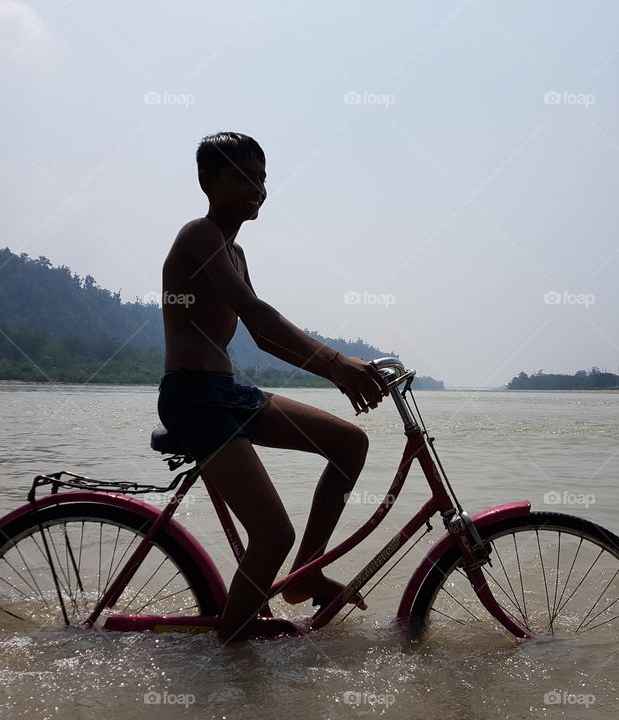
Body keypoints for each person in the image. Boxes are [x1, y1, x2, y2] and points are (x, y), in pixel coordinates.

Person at [157, 131, 389, 642]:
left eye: (261, 178)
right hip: (194, 400)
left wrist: (335, 370)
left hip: (227, 392)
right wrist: (335, 364)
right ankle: (232, 655)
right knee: (273, 534)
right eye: (242, 177)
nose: (256, 188)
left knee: (350, 443)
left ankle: (306, 575)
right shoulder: (199, 234)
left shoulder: (235, 252)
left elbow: (263, 338)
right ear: (207, 182)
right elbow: (256, 314)